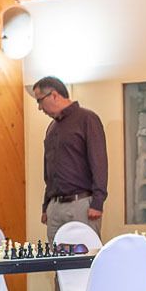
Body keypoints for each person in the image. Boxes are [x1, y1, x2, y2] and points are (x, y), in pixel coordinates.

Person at [33, 76, 108, 242]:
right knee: (55, 256)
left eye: (40, 101)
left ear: (54, 95)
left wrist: (97, 202)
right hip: (55, 206)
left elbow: (99, 162)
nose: (39, 108)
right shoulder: (51, 128)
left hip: (81, 204)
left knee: (85, 255)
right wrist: (46, 206)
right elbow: (49, 172)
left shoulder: (87, 119)